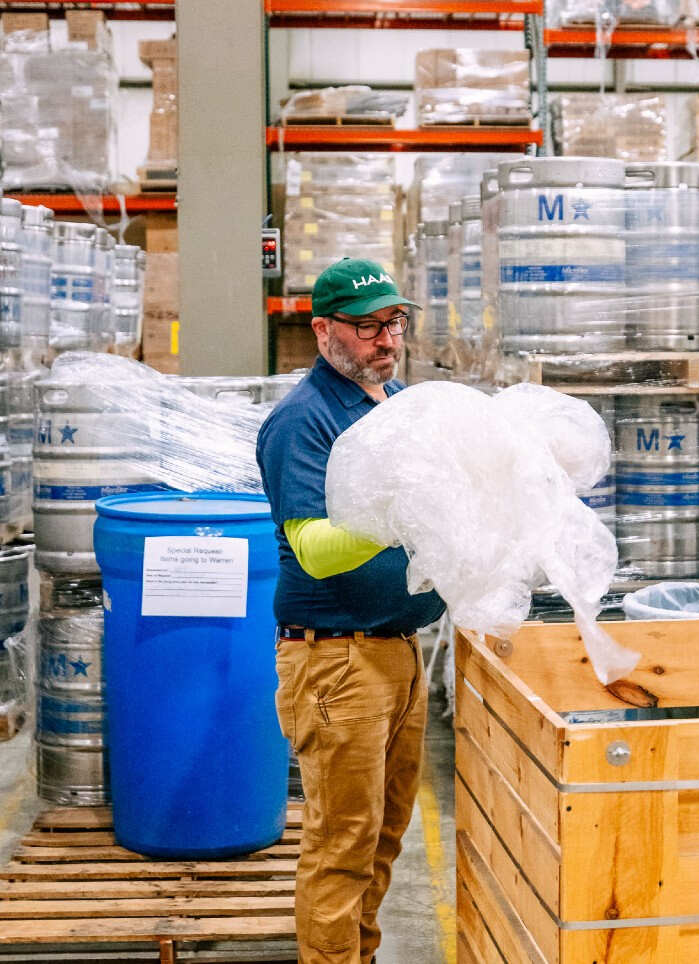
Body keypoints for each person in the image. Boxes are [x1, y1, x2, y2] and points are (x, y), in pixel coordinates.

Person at [256, 257, 446, 964]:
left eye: (392, 323)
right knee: (342, 843)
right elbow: (316, 549)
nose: (384, 341)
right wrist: (405, 512)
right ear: (323, 330)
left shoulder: (390, 403)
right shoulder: (302, 421)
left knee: (385, 833)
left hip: (395, 650)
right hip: (335, 659)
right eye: (366, 328)